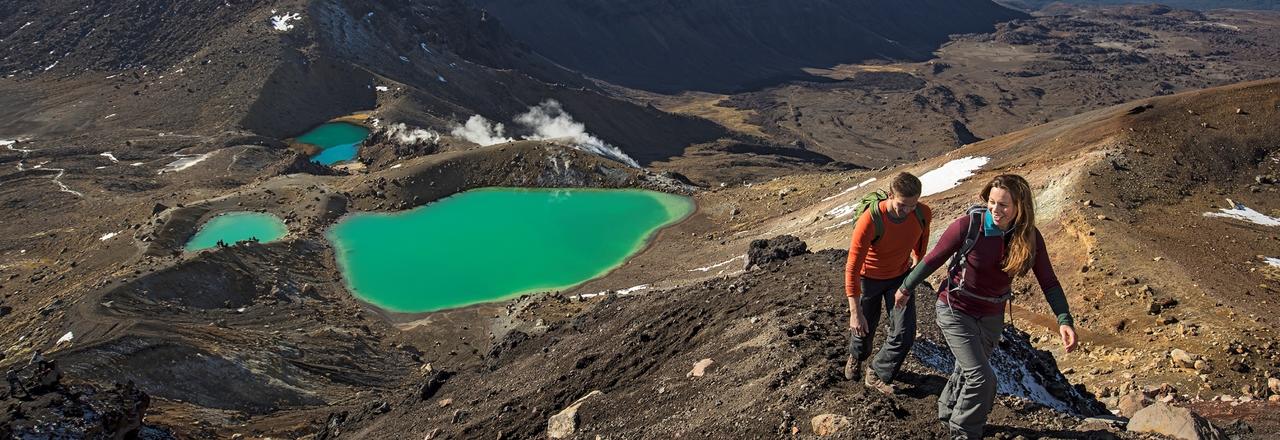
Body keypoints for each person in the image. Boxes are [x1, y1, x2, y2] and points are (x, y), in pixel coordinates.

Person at [895, 174, 1078, 440]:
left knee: (967, 368)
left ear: (1020, 208)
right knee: (982, 378)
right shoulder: (968, 226)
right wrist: (905, 288)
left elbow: (1048, 281)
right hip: (955, 308)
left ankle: (946, 411)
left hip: (992, 316)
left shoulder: (1029, 238)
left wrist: (1064, 320)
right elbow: (933, 259)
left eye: (1003, 205)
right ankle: (963, 431)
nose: (995, 209)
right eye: (992, 202)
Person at [843, 172, 932, 394]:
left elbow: (920, 248)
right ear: (890, 195)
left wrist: (911, 281)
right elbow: (853, 267)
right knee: (864, 328)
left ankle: (877, 373)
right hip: (869, 279)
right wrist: (855, 312)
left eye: (912, 205)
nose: (907, 211)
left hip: (899, 279)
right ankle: (857, 356)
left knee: (905, 332)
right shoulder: (870, 219)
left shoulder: (922, 214)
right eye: (902, 205)